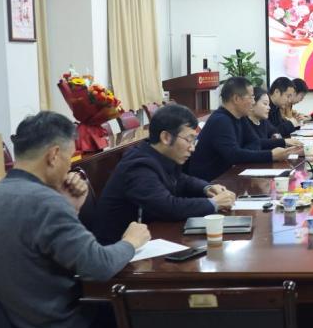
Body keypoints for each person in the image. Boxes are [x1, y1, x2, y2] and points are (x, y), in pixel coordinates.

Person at [0, 112, 150, 328]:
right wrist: (131, 242)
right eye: (69, 157)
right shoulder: (45, 203)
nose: (70, 166)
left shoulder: (3, 193)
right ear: (54, 155)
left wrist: (70, 208)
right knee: (147, 322)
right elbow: (98, 267)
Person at [93, 104, 238, 245]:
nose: (192, 148)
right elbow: (168, 207)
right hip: (119, 249)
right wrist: (213, 203)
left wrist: (207, 188)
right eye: (189, 140)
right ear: (166, 137)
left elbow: (181, 179)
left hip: (147, 238)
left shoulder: (157, 154)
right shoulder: (138, 166)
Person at [189, 77, 300, 181]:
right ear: (236, 99)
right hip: (209, 182)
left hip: (229, 176)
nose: (253, 102)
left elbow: (255, 142)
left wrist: (246, 151)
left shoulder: (240, 117)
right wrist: (271, 155)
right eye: (251, 97)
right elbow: (234, 155)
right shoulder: (221, 120)